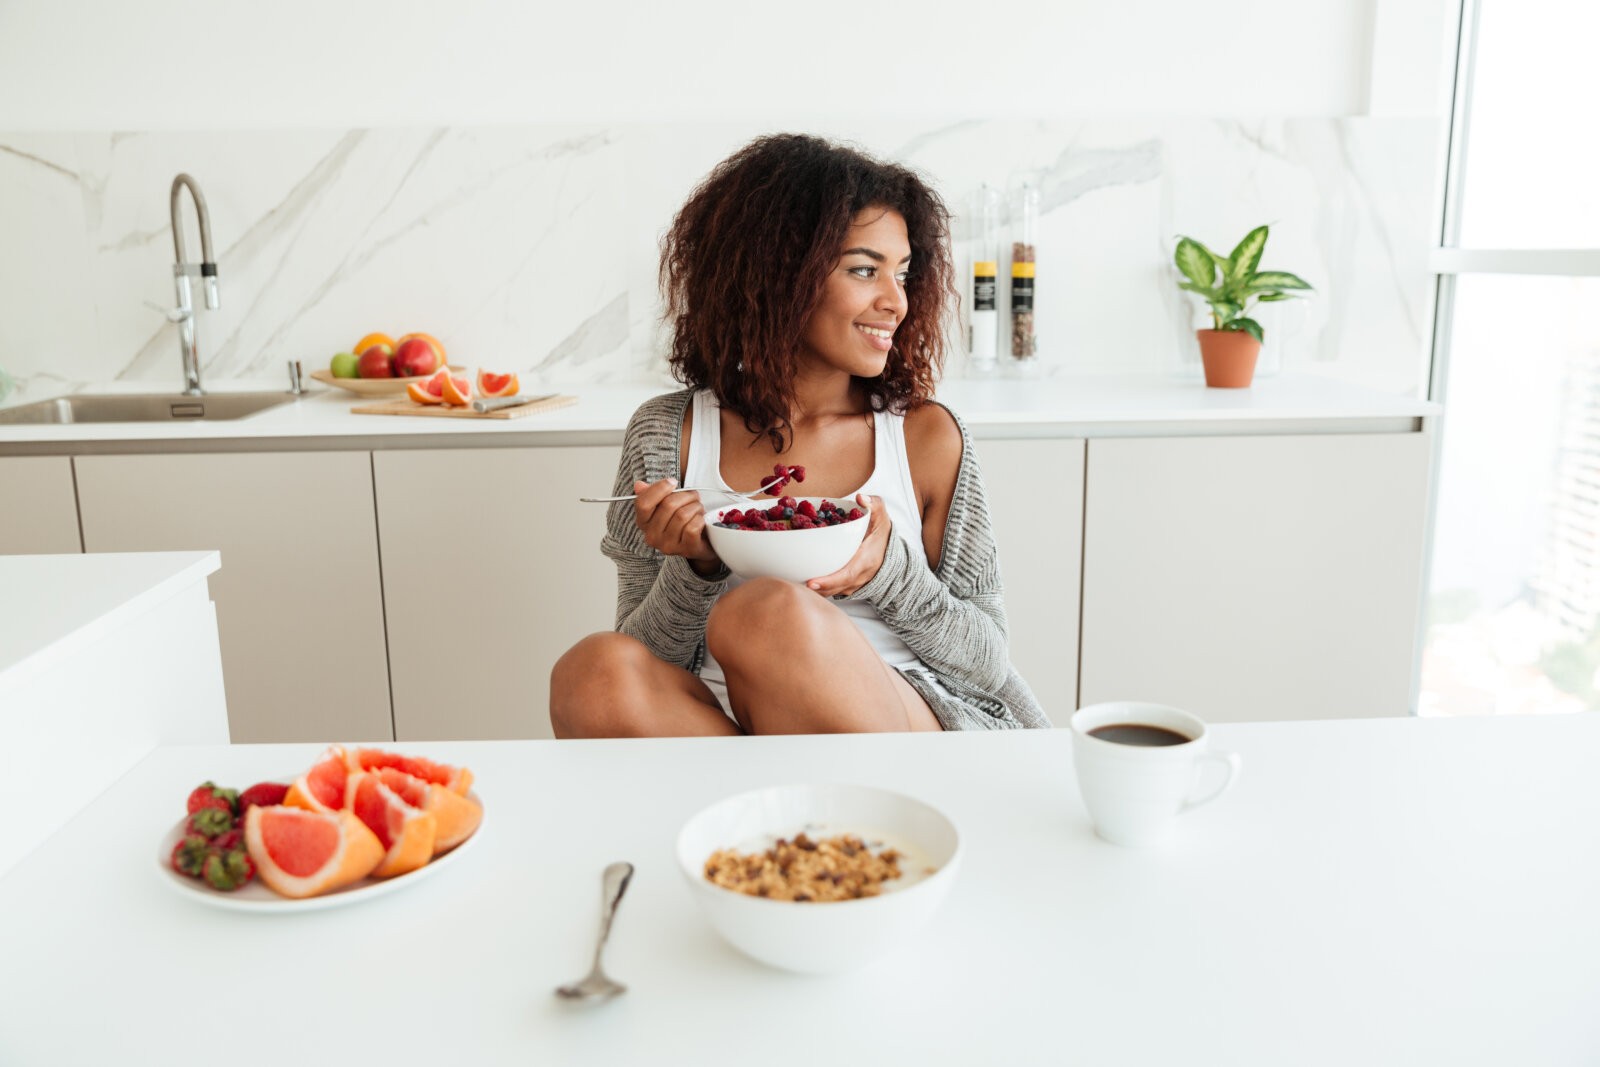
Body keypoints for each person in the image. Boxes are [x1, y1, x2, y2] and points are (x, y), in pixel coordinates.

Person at [549, 133, 1046, 737]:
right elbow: (645, 652)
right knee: (592, 671)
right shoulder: (667, 433)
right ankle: (763, 820)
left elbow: (989, 661)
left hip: (901, 715)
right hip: (724, 723)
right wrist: (697, 568)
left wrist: (887, 570)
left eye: (904, 273)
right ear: (779, 275)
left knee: (765, 613)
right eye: (865, 270)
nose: (897, 302)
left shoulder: (924, 436)